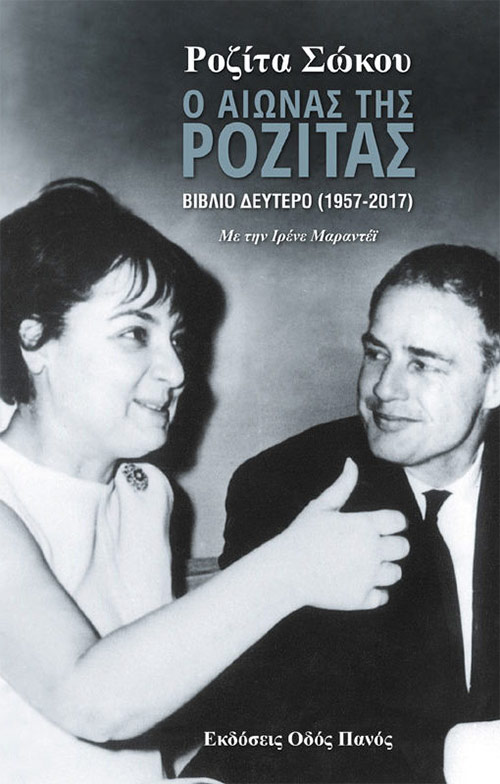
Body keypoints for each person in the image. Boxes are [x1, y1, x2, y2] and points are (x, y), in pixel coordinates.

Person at [0, 179, 409, 784]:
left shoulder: (147, 492)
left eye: (176, 339)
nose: (175, 370)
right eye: (134, 333)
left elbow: (147, 710)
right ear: (35, 340)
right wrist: (288, 569)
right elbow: (90, 702)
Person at [185, 245, 499, 783]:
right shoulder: (287, 487)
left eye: (422, 363)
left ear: (494, 383)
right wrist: (469, 757)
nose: (383, 388)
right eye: (377, 354)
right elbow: (274, 728)